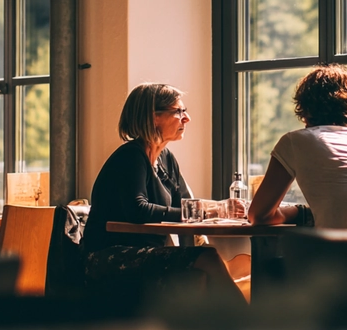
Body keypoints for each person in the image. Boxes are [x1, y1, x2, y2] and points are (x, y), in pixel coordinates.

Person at [82, 83, 243, 305]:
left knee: (203, 267)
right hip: (108, 256)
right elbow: (138, 209)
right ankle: (251, 329)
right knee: (209, 258)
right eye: (178, 111)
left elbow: (186, 205)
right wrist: (208, 211)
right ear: (153, 117)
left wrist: (221, 207)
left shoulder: (166, 158)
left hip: (148, 252)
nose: (186, 118)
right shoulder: (130, 156)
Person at [248, 64, 347, 229]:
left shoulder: (296, 140)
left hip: (343, 250)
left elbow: (259, 216)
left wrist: (301, 212)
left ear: (305, 109)